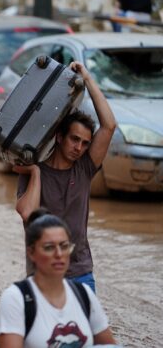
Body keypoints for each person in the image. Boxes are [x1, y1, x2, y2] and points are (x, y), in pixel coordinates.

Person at [14, 61, 116, 292]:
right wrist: (36, 173)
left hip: (81, 272)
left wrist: (87, 79)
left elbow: (109, 126)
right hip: (43, 275)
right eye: (75, 139)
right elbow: (27, 212)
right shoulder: (33, 170)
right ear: (59, 137)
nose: (79, 147)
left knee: (86, 328)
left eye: (85, 143)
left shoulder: (84, 168)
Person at [0, 209, 117, 347]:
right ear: (31, 253)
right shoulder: (15, 299)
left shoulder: (84, 295)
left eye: (64, 246)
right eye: (49, 247)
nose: (59, 254)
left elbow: (110, 345)